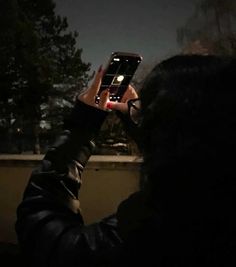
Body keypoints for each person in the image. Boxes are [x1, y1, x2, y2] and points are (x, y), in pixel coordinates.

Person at [15, 54, 236, 266]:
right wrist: (138, 117)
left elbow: (48, 243)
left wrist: (82, 125)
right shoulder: (216, 195)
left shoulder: (156, 224)